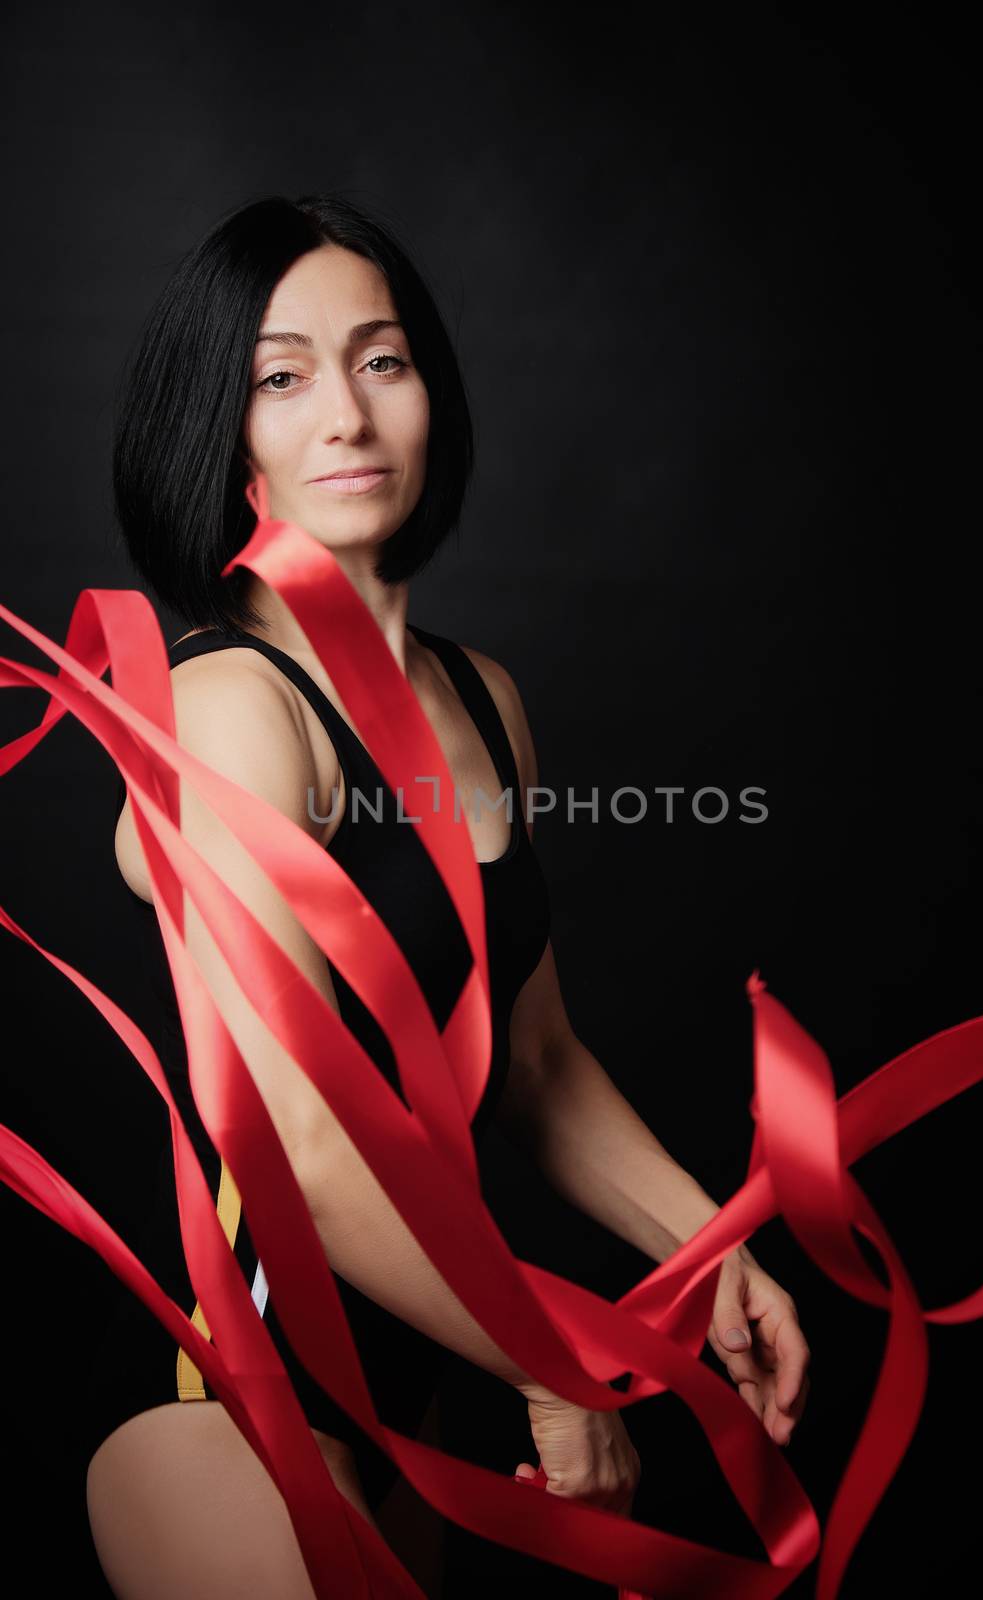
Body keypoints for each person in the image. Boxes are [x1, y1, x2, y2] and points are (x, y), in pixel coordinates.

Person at [81, 193, 810, 1597]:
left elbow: (535, 1066)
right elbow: (290, 1129)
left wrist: (710, 1249)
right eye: (281, 378)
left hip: (409, 1366)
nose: (346, 416)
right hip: (230, 1382)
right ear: (219, 434)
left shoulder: (488, 701)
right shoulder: (232, 707)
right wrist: (551, 1363)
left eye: (384, 360)